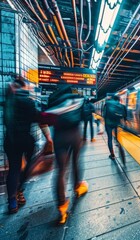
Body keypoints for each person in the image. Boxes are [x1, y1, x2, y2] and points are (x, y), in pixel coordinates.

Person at [4, 77, 52, 213]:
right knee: (29, 166)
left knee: (13, 169)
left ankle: (12, 202)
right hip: (25, 140)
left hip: (10, 140)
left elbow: (7, 122)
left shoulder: (9, 102)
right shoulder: (29, 102)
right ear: (24, 88)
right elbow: (39, 119)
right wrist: (49, 137)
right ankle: (19, 188)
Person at [45, 85, 88, 224]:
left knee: (61, 170)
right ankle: (78, 187)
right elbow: (85, 115)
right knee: (76, 162)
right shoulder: (76, 98)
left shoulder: (53, 100)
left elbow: (46, 120)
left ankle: (62, 208)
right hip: (75, 135)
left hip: (59, 137)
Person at [103, 95, 127, 164]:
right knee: (117, 138)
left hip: (108, 124)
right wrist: (124, 120)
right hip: (116, 123)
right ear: (118, 99)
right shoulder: (120, 105)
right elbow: (124, 114)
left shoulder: (107, 103)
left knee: (109, 138)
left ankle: (112, 154)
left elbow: (104, 115)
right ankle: (119, 145)